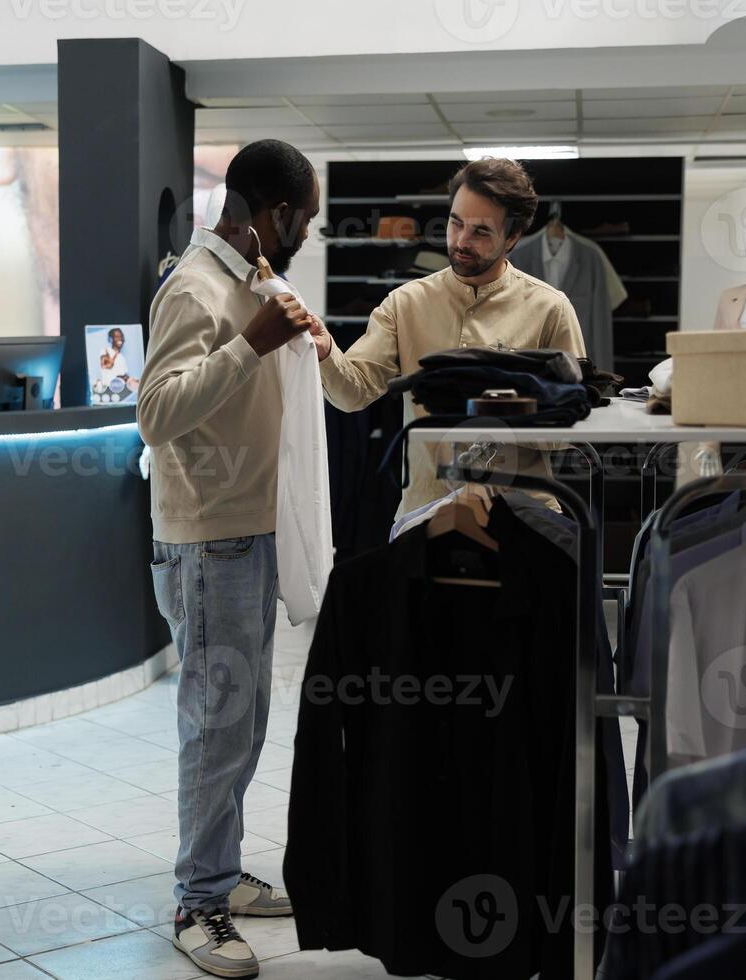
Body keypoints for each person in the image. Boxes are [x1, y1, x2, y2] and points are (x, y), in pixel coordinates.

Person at [137, 139, 320, 979]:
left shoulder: (251, 283)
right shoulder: (192, 288)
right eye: (303, 220)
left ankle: (221, 870)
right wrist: (249, 344)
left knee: (243, 724)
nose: (306, 235)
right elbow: (156, 413)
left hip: (251, 531)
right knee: (215, 729)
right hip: (210, 543)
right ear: (269, 214)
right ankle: (198, 900)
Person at [309, 157, 587, 515]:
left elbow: (570, 430)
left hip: (523, 517)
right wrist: (326, 350)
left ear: (513, 237)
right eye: (455, 224)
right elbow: (353, 394)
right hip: (427, 513)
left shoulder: (551, 309)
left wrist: (505, 417)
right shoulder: (405, 303)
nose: (461, 241)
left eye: (481, 232)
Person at [98, 326, 140, 392]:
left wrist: (132, 379)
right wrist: (116, 354)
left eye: (121, 336)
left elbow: (122, 374)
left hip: (120, 389)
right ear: (110, 339)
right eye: (117, 336)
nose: (120, 339)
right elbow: (107, 365)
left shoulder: (121, 356)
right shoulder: (105, 350)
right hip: (109, 389)